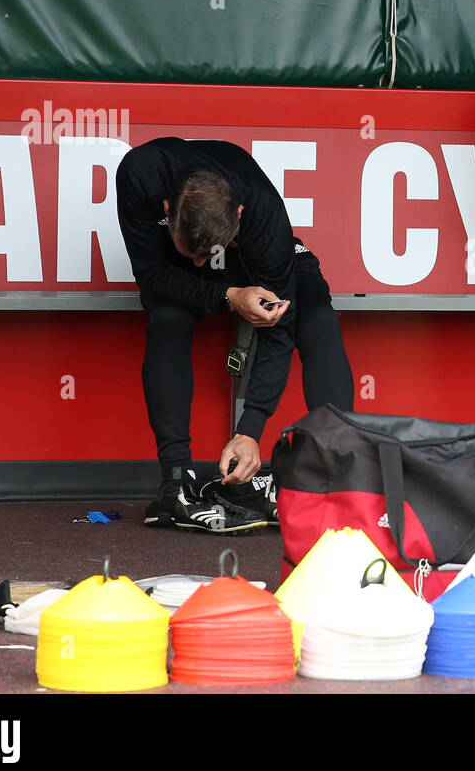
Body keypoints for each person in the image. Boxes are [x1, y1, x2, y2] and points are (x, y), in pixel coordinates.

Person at [116, 136, 354, 532]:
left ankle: (335, 479)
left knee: (316, 317)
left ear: (239, 214)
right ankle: (176, 481)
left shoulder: (263, 213)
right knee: (167, 318)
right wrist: (227, 296)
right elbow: (154, 276)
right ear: (166, 208)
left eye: (206, 252)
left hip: (254, 262)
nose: (199, 260)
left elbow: (280, 325)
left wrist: (250, 430)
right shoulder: (140, 173)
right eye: (191, 250)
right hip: (182, 276)